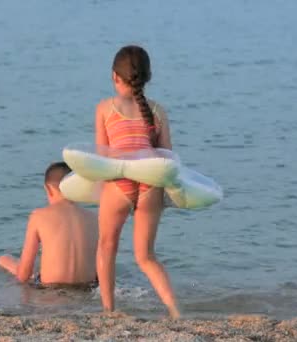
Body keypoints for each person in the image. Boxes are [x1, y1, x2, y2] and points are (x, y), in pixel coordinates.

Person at [94, 45, 180, 318]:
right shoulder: (157, 111)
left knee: (107, 247)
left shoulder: (105, 109)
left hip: (119, 182)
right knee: (146, 256)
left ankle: (109, 311)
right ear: (147, 77)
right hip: (149, 184)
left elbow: (102, 156)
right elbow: (167, 156)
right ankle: (175, 310)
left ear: (114, 77)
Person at [0, 162, 99, 287]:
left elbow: (24, 275)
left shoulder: (38, 216)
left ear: (48, 188)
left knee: (4, 260)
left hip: (50, 293)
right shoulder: (94, 218)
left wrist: (7, 262)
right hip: (86, 290)